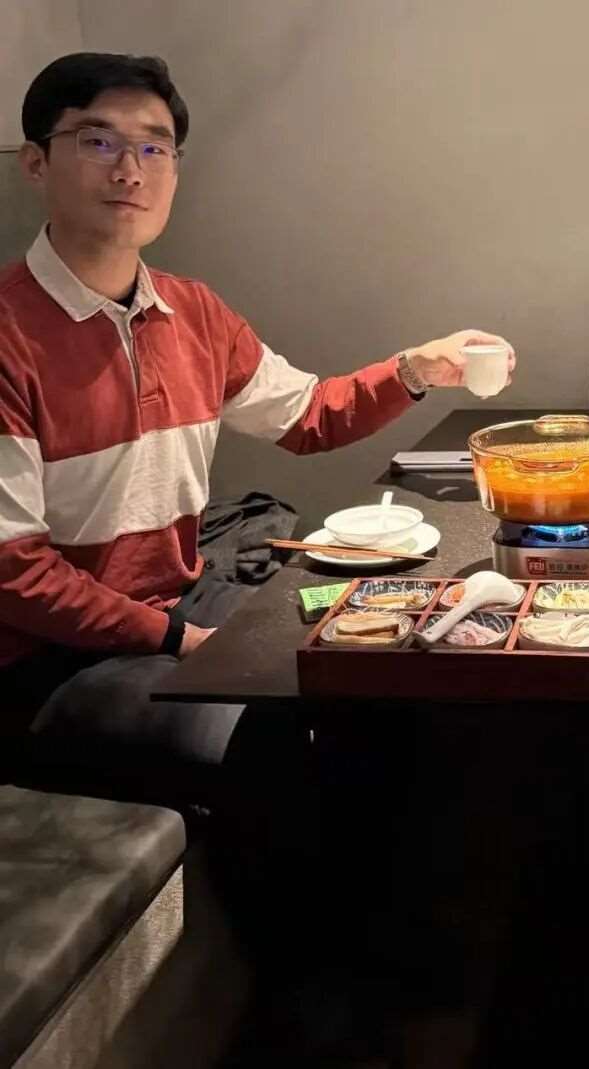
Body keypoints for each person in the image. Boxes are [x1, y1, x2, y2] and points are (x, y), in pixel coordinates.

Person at [0, 51, 515, 806]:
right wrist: (182, 642)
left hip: (178, 601)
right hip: (48, 659)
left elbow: (310, 416)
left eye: (154, 147)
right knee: (271, 732)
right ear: (36, 163)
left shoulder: (193, 313)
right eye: (98, 141)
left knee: (379, 658)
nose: (130, 170)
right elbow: (14, 574)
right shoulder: (9, 335)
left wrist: (416, 368)